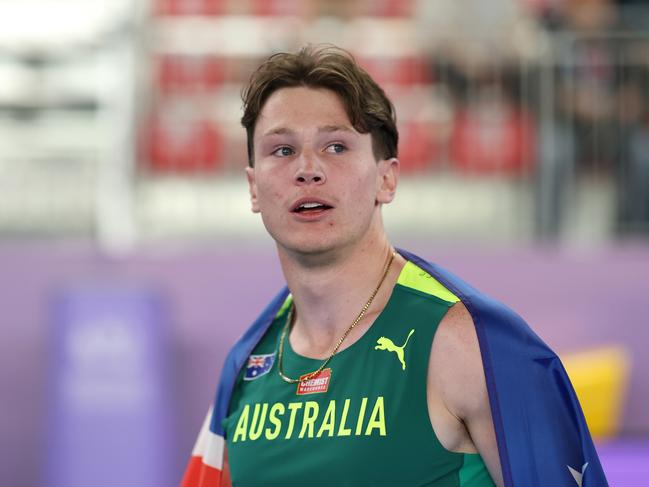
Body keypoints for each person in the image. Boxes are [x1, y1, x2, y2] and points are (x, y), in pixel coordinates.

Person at [181, 45, 607, 487]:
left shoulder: (468, 341)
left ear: (387, 178)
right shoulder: (247, 363)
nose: (308, 170)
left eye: (336, 146)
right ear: (253, 187)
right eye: (282, 150)